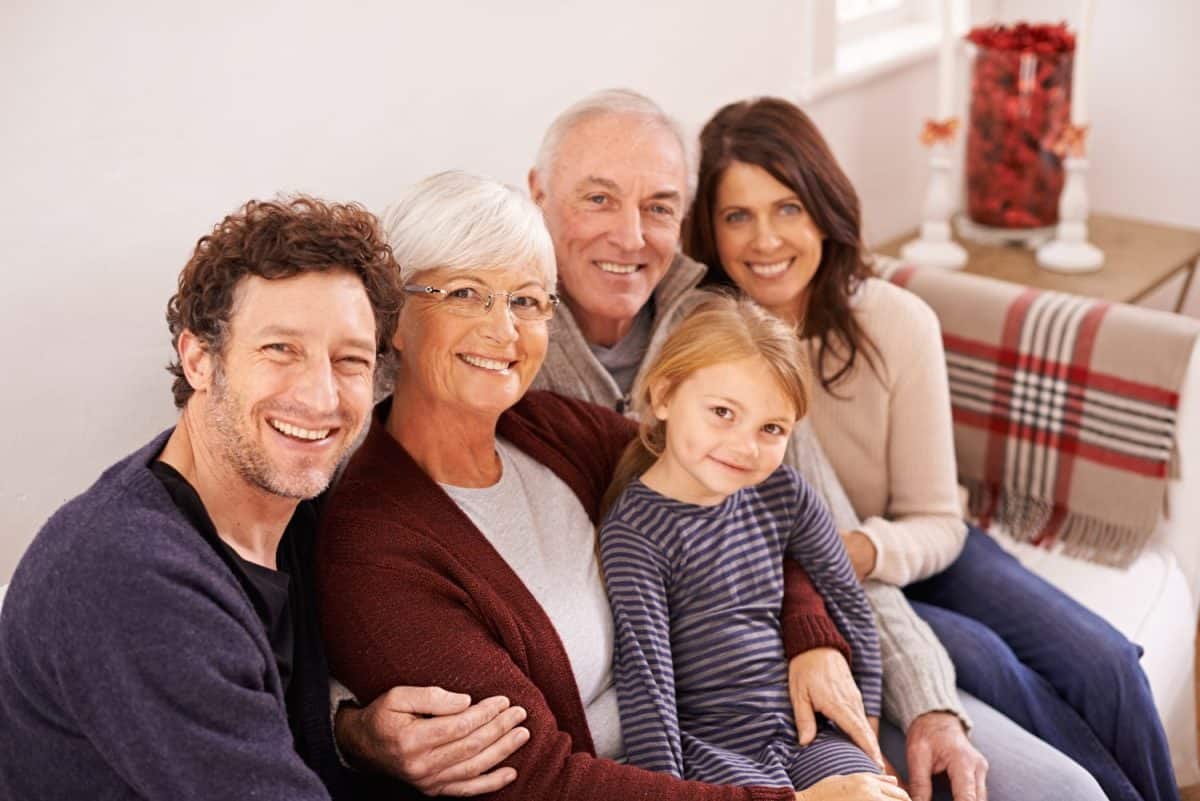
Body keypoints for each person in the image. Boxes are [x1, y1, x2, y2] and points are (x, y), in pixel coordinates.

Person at [529, 87, 1108, 801]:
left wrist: (909, 708)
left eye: (657, 206)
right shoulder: (500, 343)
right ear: (538, 193)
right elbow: (651, 698)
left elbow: (840, 568)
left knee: (1072, 745)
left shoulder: (728, 326)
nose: (630, 234)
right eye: (598, 198)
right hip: (702, 739)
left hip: (826, 686)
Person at [317, 169, 904, 801]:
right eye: (464, 293)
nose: (504, 330)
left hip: (744, 743)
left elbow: (743, 498)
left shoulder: (554, 431)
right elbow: (538, 780)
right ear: (393, 318)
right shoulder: (373, 548)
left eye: (526, 300)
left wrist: (807, 637)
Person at [684, 95, 1175, 801]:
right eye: (738, 216)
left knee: (1103, 661)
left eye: (788, 207)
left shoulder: (897, 321)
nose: (765, 239)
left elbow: (940, 520)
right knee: (983, 658)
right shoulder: (716, 344)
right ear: (711, 230)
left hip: (916, 547)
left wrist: (861, 547)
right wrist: (839, 562)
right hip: (822, 588)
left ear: (824, 205)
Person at [0, 197, 529, 800]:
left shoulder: (293, 513)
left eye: (349, 360)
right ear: (200, 359)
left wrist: (352, 736)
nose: (320, 397)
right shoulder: (128, 578)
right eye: (281, 349)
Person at [600, 294, 890, 791]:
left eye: (771, 428)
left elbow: (849, 606)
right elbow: (649, 687)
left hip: (808, 734)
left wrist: (866, 737)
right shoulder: (636, 535)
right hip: (712, 750)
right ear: (665, 396)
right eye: (722, 412)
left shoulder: (786, 495)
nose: (745, 447)